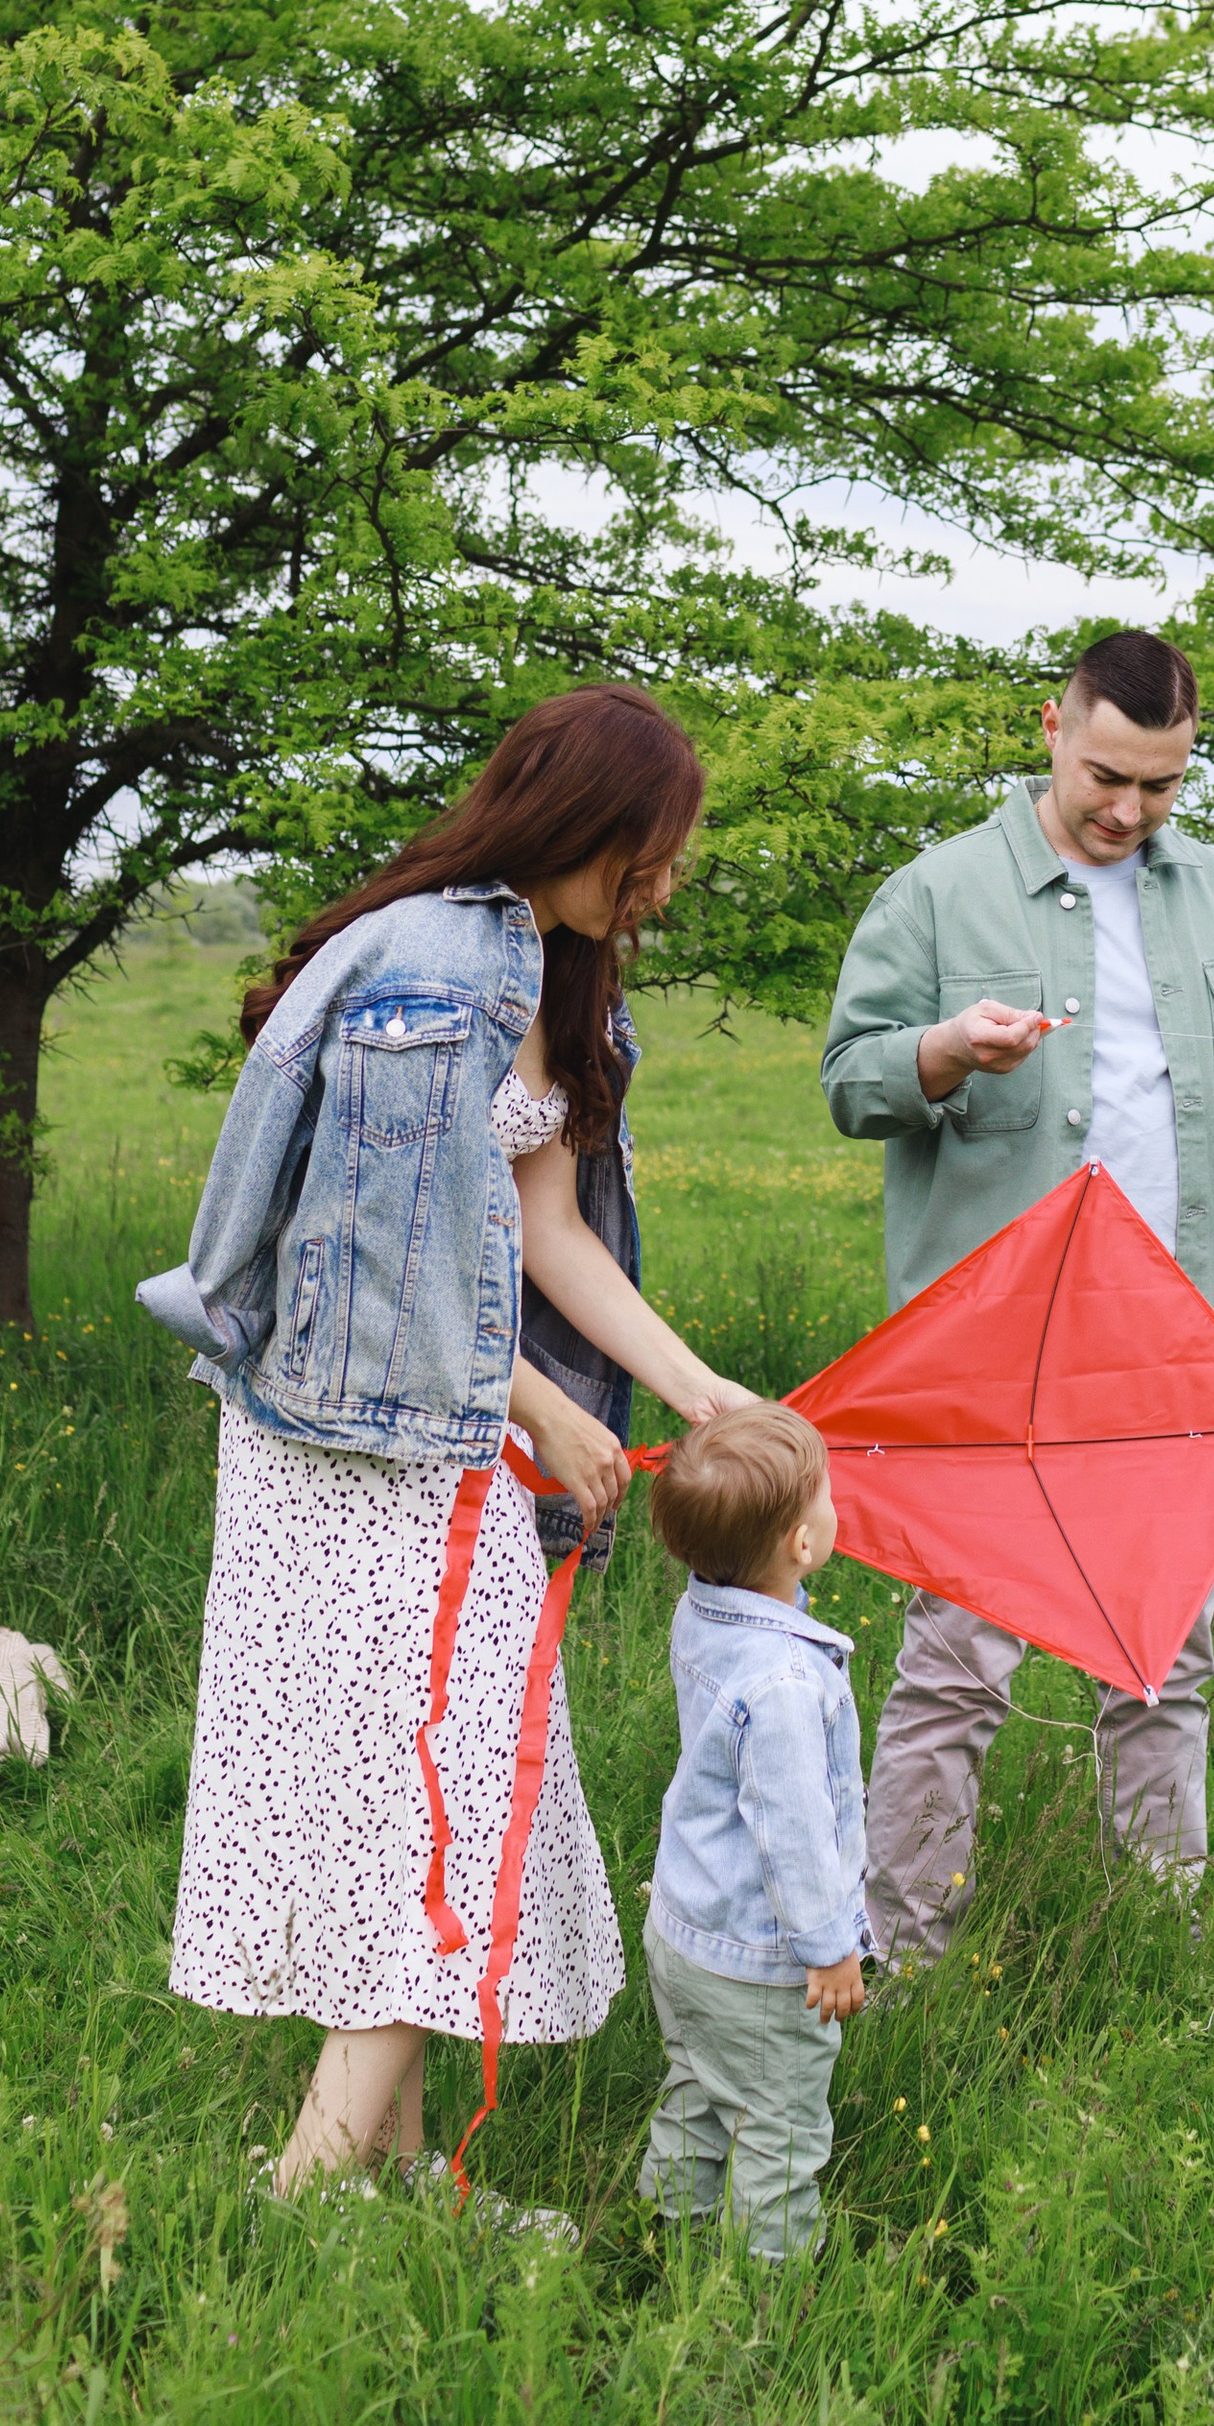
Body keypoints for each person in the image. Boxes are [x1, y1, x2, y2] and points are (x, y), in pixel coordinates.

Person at [145, 683, 752, 2197]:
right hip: (353, 1457)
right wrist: (536, 1409)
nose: (667, 879)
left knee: (418, 1804)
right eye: (655, 846)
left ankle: (389, 2190)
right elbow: (367, 1260)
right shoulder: (422, 969)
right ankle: (298, 2196)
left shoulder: (561, 978)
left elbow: (539, 1229)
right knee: (454, 1807)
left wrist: (702, 1394)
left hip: (442, 1450)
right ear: (587, 823)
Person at [820, 628, 1214, 1962]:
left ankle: (1157, 1936)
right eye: (1106, 777)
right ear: (1051, 728)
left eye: (1160, 786)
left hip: (1175, 1352)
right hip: (993, 1351)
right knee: (957, 1665)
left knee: (1162, 1661)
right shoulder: (937, 893)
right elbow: (852, 1079)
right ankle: (897, 1952)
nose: (1128, 810)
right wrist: (944, 1050)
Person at [636, 1406, 868, 2261]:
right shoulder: (783, 1681)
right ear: (801, 1546)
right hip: (761, 1962)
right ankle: (761, 2302)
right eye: (828, 1497)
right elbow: (795, 1828)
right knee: (778, 2126)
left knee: (696, 2086)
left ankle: (667, 2236)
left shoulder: (708, 1615)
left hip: (685, 1930)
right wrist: (828, 1946)